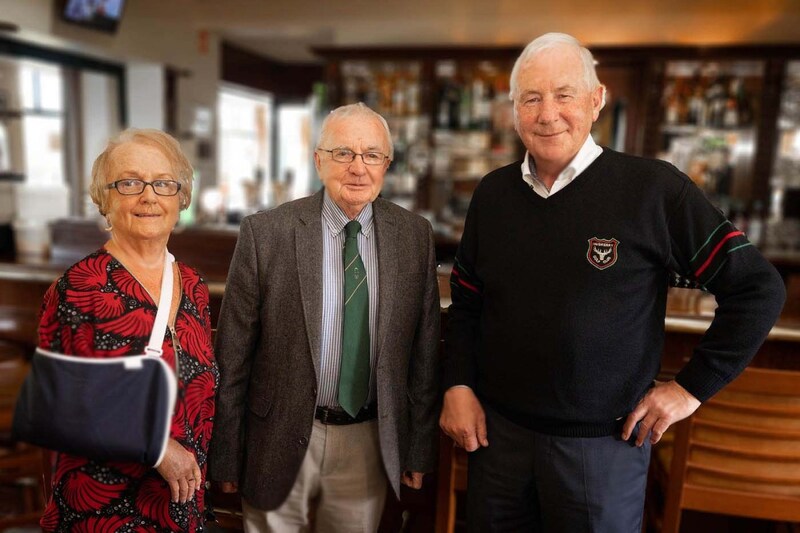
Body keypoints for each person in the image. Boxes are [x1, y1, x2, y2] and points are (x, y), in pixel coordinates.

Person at [439, 32, 786, 532]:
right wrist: (458, 382)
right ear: (512, 109)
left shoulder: (656, 189)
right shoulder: (493, 195)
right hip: (499, 439)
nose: (547, 113)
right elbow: (468, 304)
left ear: (596, 99)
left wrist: (689, 389)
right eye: (531, 98)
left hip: (602, 450)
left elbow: (758, 288)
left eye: (564, 95)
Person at [209, 103, 440, 532]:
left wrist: (419, 450)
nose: (358, 167)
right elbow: (232, 358)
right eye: (343, 153)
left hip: (369, 437)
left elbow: (424, 357)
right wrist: (224, 454)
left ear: (387, 164)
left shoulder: (414, 236)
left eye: (372, 155)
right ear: (318, 160)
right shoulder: (266, 233)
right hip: (277, 434)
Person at [36, 129, 217, 532]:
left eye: (163, 183)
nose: (149, 196)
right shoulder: (78, 288)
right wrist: (155, 447)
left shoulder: (194, 286)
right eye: (130, 182)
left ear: (180, 197)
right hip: (104, 508)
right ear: (105, 198)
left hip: (181, 506)